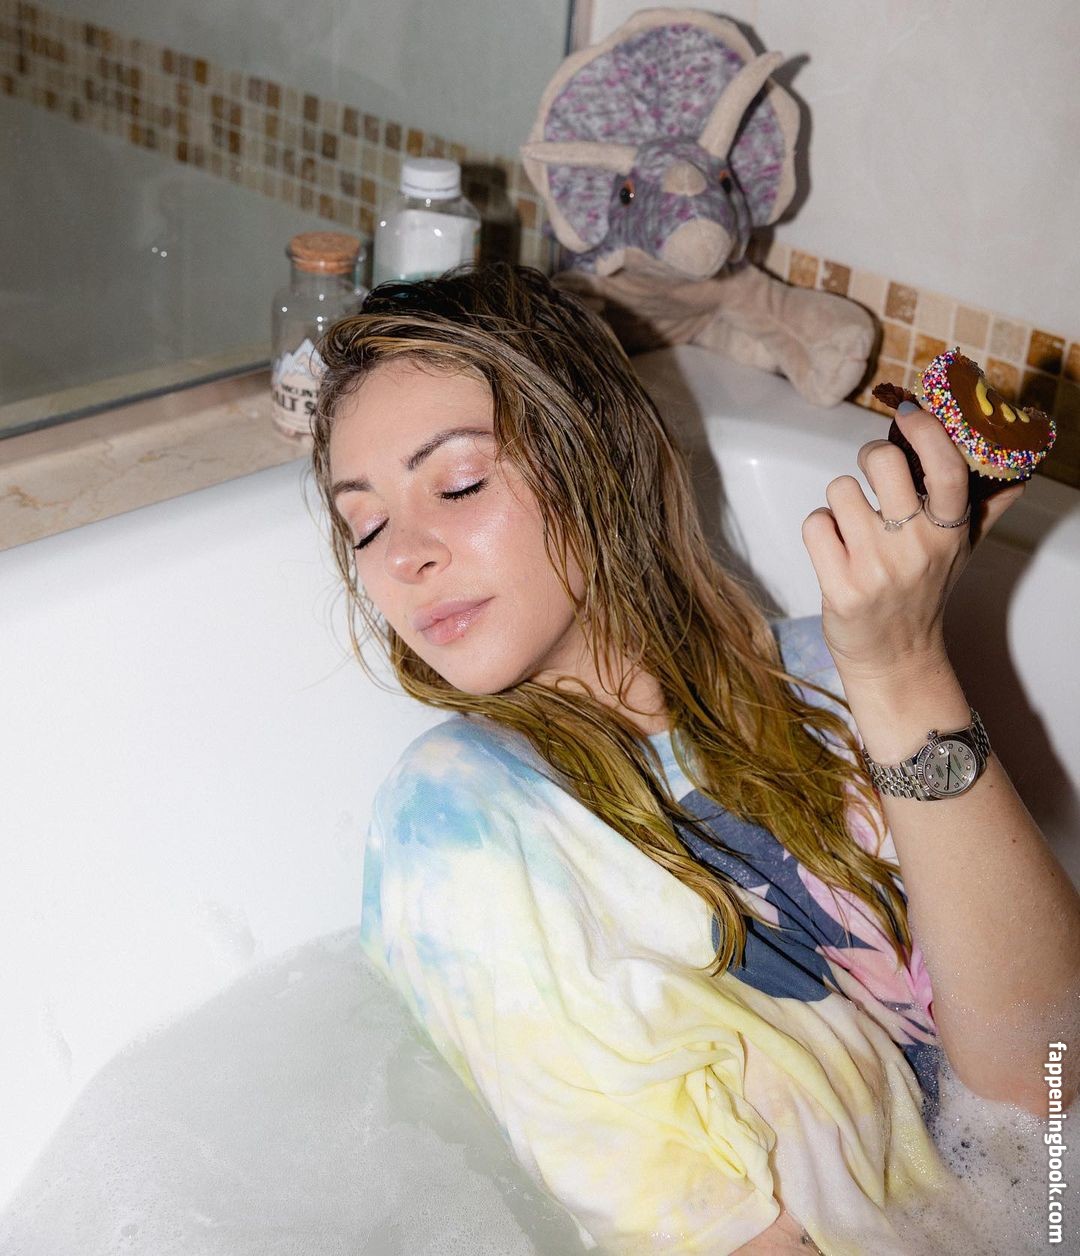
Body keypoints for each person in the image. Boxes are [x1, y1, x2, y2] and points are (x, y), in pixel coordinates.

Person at [310, 260, 1080, 1254]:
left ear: (599, 458)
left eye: (458, 483)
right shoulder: (460, 819)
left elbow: (1045, 1092)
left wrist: (901, 669)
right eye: (364, 523)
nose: (401, 554)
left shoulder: (831, 669)